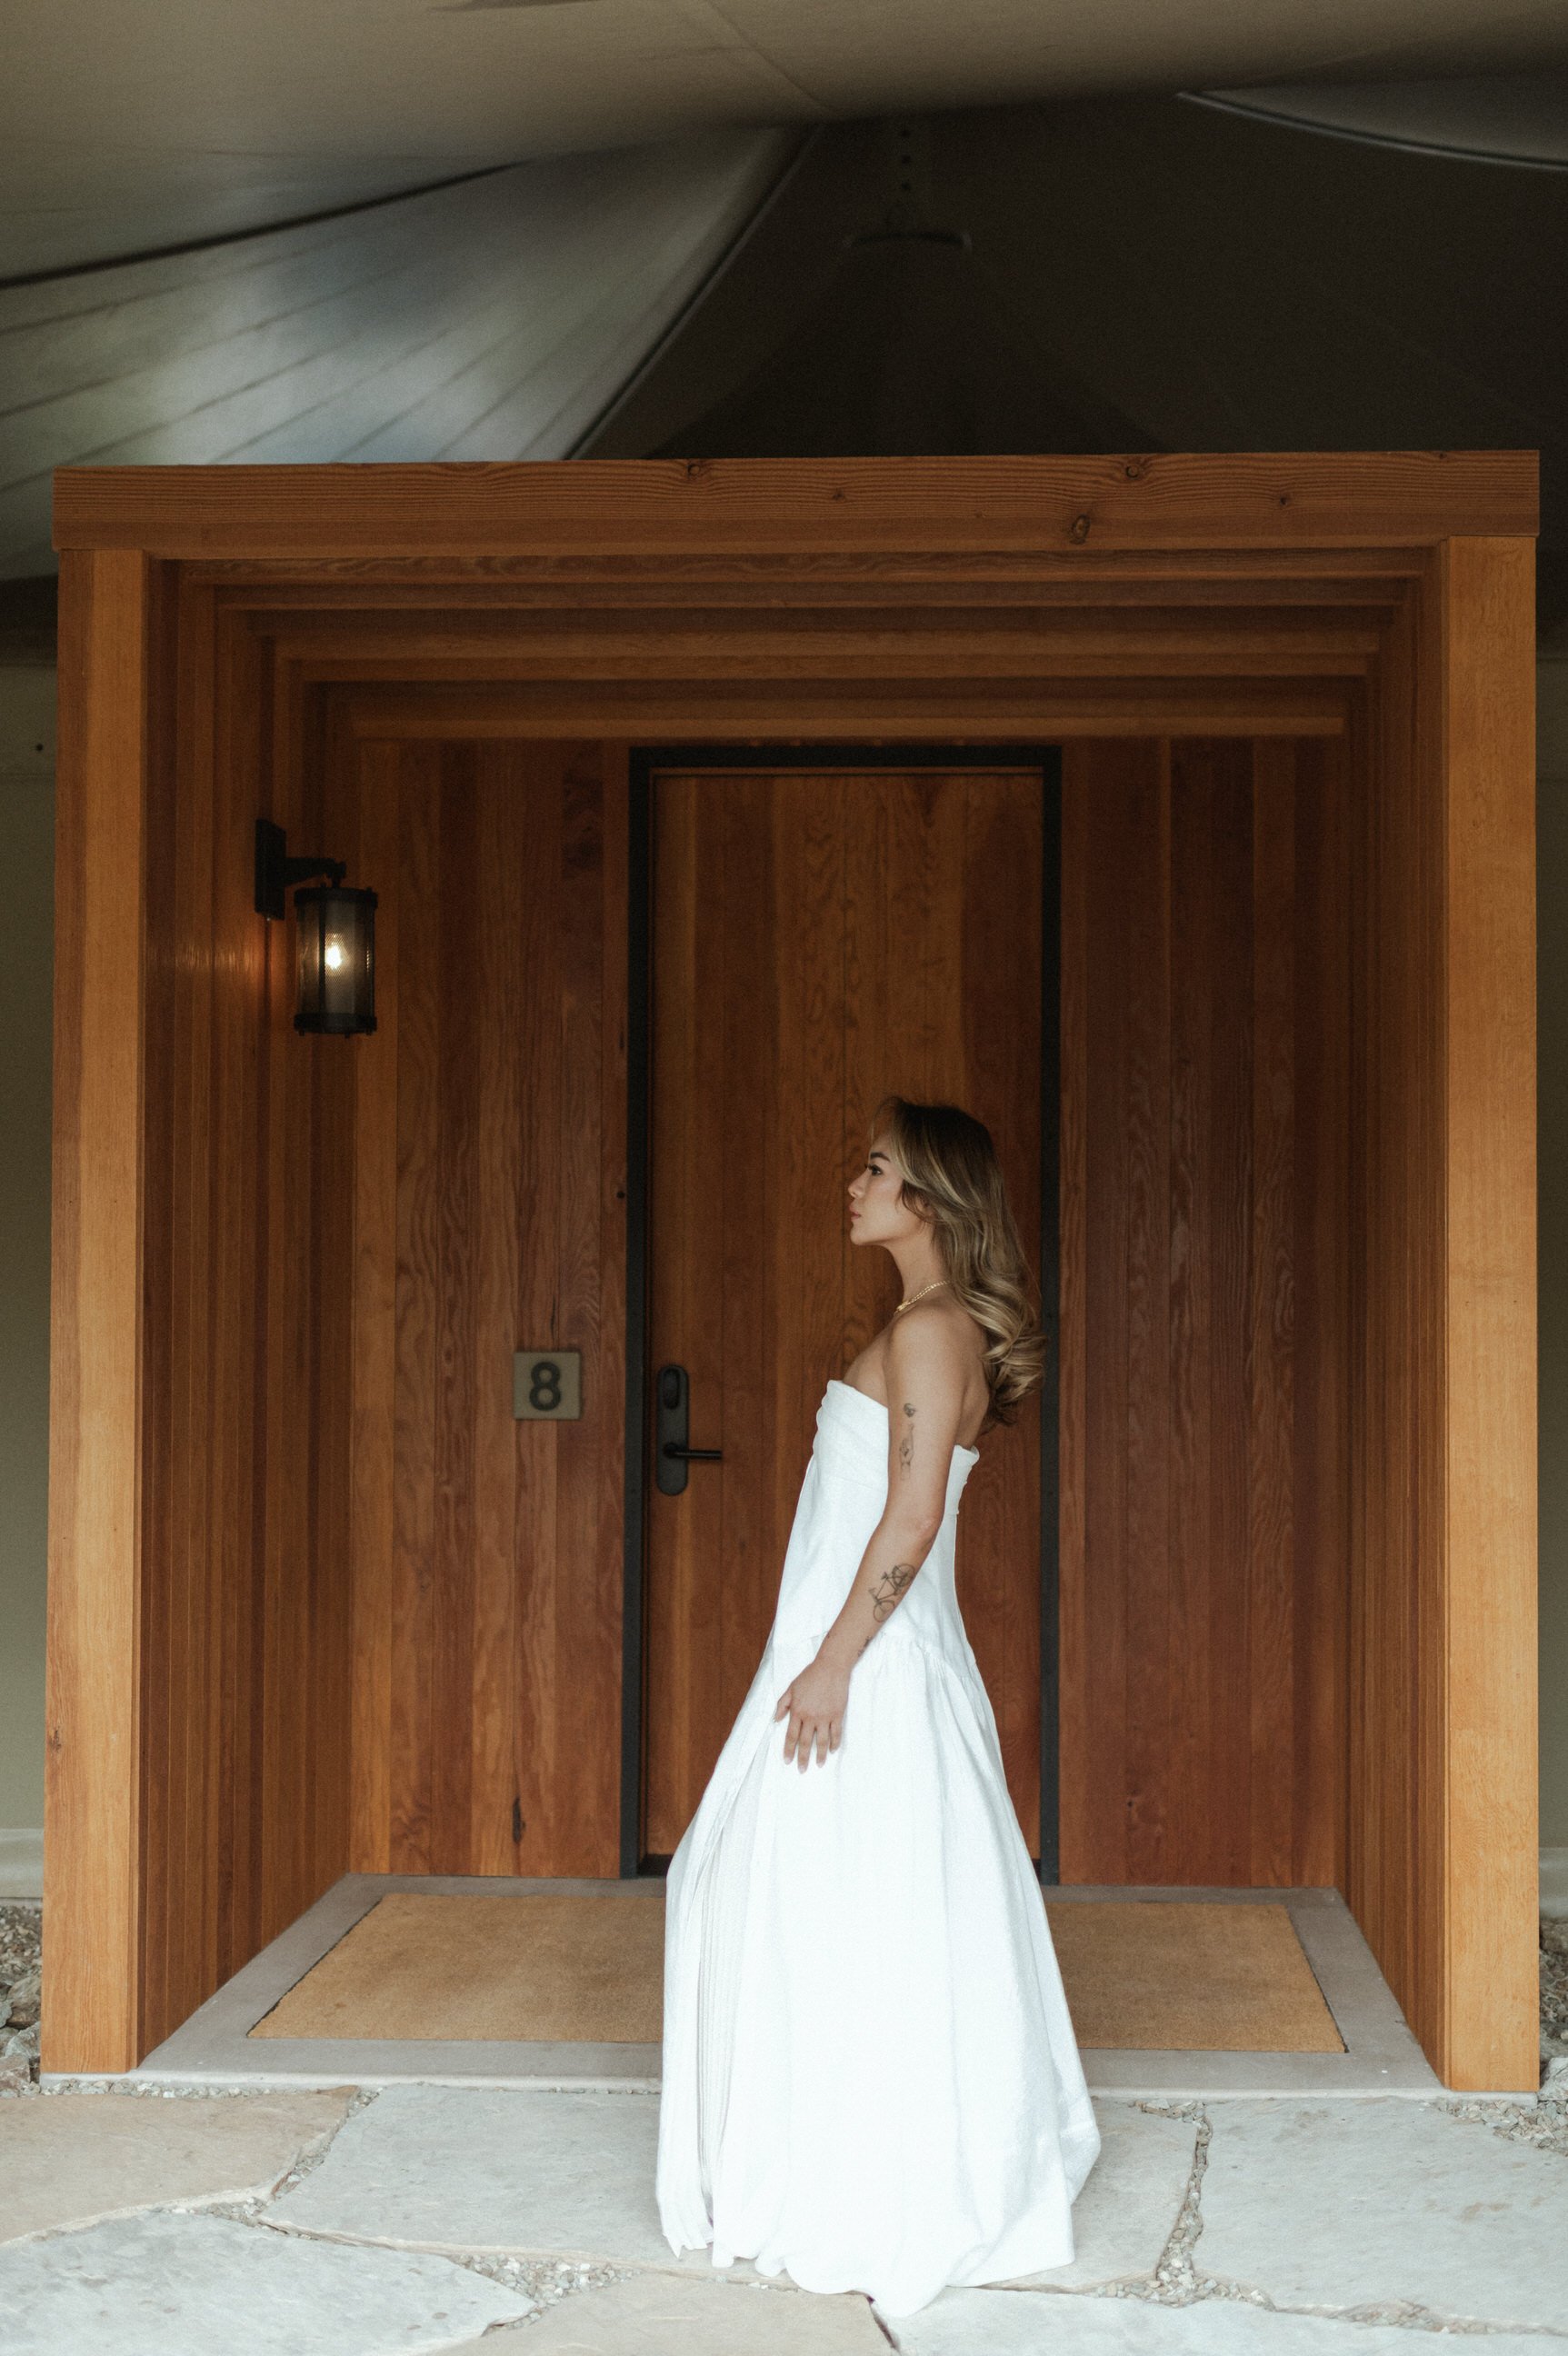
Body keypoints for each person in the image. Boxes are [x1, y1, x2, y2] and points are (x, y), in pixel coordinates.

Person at [654, 1094, 1101, 2319]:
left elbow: (910, 1519)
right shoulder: (924, 1327)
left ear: (929, 1200)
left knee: (824, 1898)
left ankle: (858, 2173)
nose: (850, 1186)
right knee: (788, 1892)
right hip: (852, 1653)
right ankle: (825, 2144)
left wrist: (835, 1662)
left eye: (873, 1169)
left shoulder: (928, 1333)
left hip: (868, 1669)